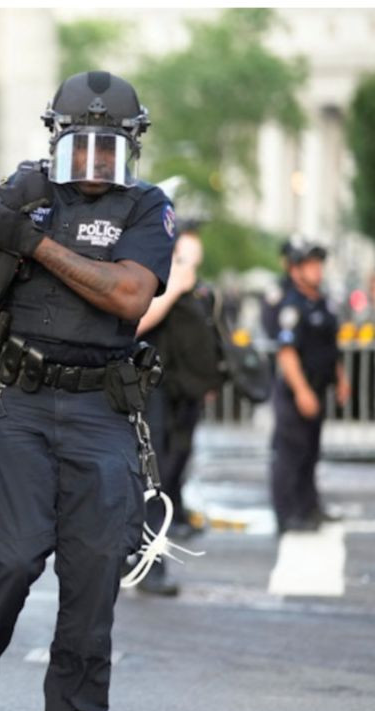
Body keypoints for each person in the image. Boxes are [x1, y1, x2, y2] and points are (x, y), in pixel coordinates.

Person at [0, 71, 174, 711]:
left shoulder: (146, 205)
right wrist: (2, 214)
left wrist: (35, 245)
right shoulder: (28, 192)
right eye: (82, 144)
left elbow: (130, 296)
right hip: (21, 403)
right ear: (57, 137)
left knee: (93, 585)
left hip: (102, 408)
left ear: (131, 144)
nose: (96, 160)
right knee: (8, 562)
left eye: (110, 146)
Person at [135, 221, 218, 596]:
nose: (189, 268)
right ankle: (150, 566)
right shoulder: (153, 281)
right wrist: (174, 290)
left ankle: (137, 556)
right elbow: (136, 323)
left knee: (166, 478)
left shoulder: (194, 291)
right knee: (154, 483)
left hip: (181, 398)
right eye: (183, 259)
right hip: (151, 394)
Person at [262, 239, 350, 533]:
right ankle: (287, 515)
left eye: (319, 264)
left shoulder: (322, 301)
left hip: (319, 388)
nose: (317, 271)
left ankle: (308, 507)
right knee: (291, 453)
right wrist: (302, 391)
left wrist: (341, 378)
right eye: (310, 265)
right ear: (297, 270)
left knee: (311, 452)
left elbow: (330, 346)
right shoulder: (292, 305)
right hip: (297, 392)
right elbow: (287, 353)